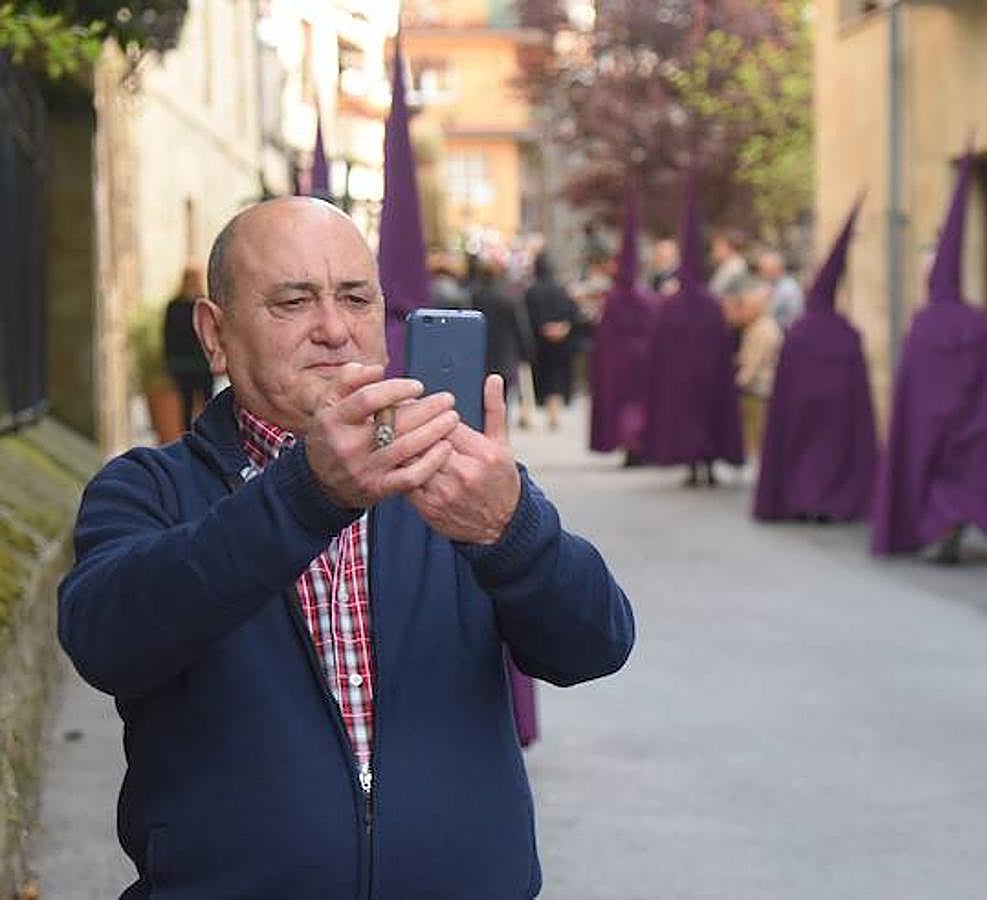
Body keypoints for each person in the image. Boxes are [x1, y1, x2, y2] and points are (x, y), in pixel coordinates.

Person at [57, 197, 634, 896]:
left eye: (356, 299)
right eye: (293, 301)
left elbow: (596, 644)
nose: (334, 330)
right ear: (214, 334)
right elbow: (105, 640)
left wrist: (510, 533)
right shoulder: (148, 487)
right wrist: (309, 495)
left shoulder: (458, 479)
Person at [870, 142, 987, 563]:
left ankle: (944, 527)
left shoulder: (924, 322)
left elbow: (913, 381)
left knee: (935, 468)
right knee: (966, 469)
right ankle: (956, 524)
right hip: (971, 419)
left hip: (932, 423)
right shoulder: (976, 320)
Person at [752, 201, 879, 523]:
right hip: (837, 411)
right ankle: (830, 502)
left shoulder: (800, 330)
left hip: (803, 410)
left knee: (807, 453)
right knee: (832, 453)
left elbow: (787, 379)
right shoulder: (847, 332)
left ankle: (807, 501)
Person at [641, 174, 745, 487]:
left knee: (691, 418)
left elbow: (657, 342)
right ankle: (708, 466)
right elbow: (725, 341)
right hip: (708, 377)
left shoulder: (672, 306)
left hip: (684, 379)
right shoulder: (711, 304)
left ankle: (695, 467)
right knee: (706, 416)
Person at [589, 180, 660, 467]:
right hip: (640, 359)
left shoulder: (615, 299)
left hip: (622, 360)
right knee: (637, 404)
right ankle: (637, 445)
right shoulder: (646, 298)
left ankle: (633, 446)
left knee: (629, 404)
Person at [469, 254, 534, 423]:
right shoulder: (509, 298)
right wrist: (527, 353)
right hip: (505, 357)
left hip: (480, 356)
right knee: (501, 401)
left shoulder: (473, 296)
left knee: (479, 400)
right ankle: (499, 433)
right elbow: (521, 327)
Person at [523, 252, 583, 431]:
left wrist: (543, 328)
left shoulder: (531, 291)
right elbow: (574, 314)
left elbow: (526, 317)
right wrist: (562, 327)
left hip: (538, 343)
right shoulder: (561, 289)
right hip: (560, 343)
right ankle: (554, 416)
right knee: (556, 378)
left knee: (536, 377)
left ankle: (527, 414)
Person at [733, 281, 783, 458]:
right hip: (759, 390)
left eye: (744, 307)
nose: (741, 312)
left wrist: (735, 387)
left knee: (759, 439)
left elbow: (752, 366)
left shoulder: (763, 330)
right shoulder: (756, 327)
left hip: (760, 391)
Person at [162, 266, 214, 424]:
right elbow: (168, 335)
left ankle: (207, 440)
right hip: (185, 364)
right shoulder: (175, 306)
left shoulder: (204, 304)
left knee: (207, 405)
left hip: (202, 363)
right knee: (187, 405)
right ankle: (191, 442)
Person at [757, 249, 805, 330]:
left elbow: (765, 313)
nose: (763, 275)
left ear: (778, 269)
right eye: (762, 270)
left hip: (788, 332)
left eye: (766, 271)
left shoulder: (787, 288)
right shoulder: (773, 284)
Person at [708, 231, 749, 306]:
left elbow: (715, 293)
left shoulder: (735, 268)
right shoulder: (727, 265)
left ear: (725, 247)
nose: (713, 252)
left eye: (715, 247)